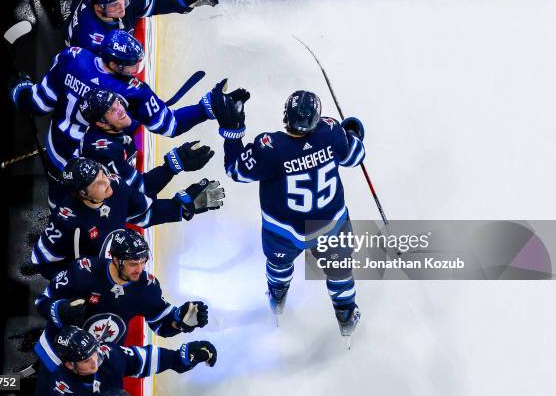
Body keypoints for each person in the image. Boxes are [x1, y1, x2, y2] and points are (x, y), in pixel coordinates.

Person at [8, 30, 234, 207]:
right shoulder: (133, 92)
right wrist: (205, 109)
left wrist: (17, 87)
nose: (138, 67)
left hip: (57, 148)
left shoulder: (72, 57)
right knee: (104, 205)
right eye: (133, 63)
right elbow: (170, 125)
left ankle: (58, 216)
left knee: (61, 201)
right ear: (116, 64)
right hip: (97, 162)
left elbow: (38, 103)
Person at [215, 88, 366, 338]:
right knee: (340, 271)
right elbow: (355, 155)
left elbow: (236, 170)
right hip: (332, 226)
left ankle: (277, 300)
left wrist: (234, 131)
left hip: (284, 232)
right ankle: (346, 317)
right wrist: (352, 131)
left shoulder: (269, 147)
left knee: (278, 266)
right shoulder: (331, 131)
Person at [34, 229, 210, 372]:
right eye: (133, 263)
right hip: (56, 354)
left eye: (143, 262)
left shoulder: (147, 287)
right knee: (21, 386)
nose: (140, 269)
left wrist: (180, 320)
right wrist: (60, 310)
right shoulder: (82, 272)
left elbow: (162, 325)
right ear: (116, 259)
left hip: (97, 363)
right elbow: (42, 301)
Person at [31, 157, 224, 279]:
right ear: (83, 193)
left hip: (115, 271)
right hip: (85, 282)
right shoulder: (67, 220)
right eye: (98, 183)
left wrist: (179, 209)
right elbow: (43, 263)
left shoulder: (115, 184)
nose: (106, 181)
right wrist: (72, 286)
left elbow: (144, 214)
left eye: (103, 174)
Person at [78, 88, 214, 195]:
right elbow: (143, 190)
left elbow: (173, 122)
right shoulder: (104, 152)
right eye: (112, 110)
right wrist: (173, 165)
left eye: (117, 102)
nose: (121, 109)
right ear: (101, 123)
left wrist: (204, 109)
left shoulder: (119, 121)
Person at [34, 325, 216, 395]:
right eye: (85, 360)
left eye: (94, 353)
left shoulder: (108, 356)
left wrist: (181, 357)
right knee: (8, 383)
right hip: (43, 385)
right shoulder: (62, 386)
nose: (94, 362)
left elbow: (147, 359)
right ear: (69, 364)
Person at [66, 0, 218, 53]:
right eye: (114, 4)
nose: (122, 7)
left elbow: (154, 2)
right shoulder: (90, 38)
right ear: (98, 8)